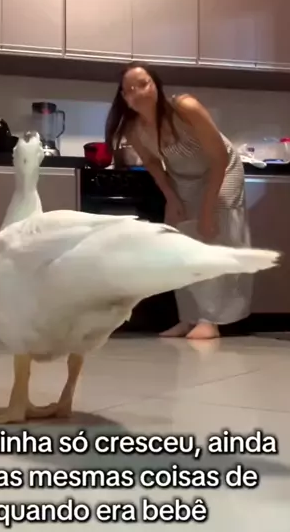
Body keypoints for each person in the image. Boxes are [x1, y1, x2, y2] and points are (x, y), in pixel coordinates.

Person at [105, 62, 252, 340]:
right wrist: (171, 199)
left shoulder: (185, 107)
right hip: (182, 177)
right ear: (124, 97)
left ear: (156, 85)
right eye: (129, 89)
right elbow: (152, 163)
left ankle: (211, 319)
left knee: (213, 235)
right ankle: (189, 317)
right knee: (180, 238)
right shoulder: (134, 129)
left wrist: (207, 211)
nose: (137, 92)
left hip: (221, 169)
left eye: (143, 84)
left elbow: (219, 158)